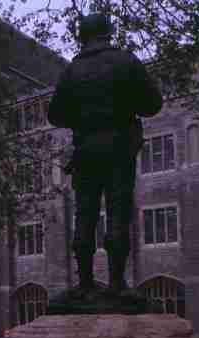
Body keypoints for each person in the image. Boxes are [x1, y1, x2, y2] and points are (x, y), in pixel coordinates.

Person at [48, 13, 163, 293]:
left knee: (84, 214)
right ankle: (116, 283)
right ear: (107, 33)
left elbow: (55, 114)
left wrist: (82, 116)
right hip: (119, 149)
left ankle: (85, 282)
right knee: (117, 212)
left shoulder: (71, 71)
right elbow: (152, 104)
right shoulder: (126, 61)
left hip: (86, 150)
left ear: (82, 37)